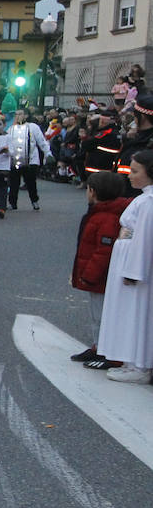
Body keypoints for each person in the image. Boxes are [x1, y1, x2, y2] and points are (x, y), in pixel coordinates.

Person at [97, 150, 153, 384]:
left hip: (134, 261)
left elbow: (144, 239)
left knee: (136, 313)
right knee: (129, 312)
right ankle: (131, 360)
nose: (130, 175)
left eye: (135, 171)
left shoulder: (148, 202)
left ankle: (140, 364)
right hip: (127, 256)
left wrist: (134, 270)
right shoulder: (143, 199)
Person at [68, 171, 131, 370]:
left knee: (103, 315)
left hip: (100, 278)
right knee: (97, 314)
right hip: (97, 277)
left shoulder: (105, 217)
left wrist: (88, 276)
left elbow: (103, 252)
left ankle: (110, 353)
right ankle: (99, 346)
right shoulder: (101, 213)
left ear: (93, 192)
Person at [7, 108, 50, 211]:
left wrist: (48, 153)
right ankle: (13, 203)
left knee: (30, 182)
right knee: (14, 182)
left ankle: (34, 200)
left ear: (25, 115)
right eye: (16, 114)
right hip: (15, 160)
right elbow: (8, 143)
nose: (18, 116)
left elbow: (41, 141)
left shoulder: (33, 127)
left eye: (20, 114)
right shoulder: (11, 129)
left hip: (31, 160)